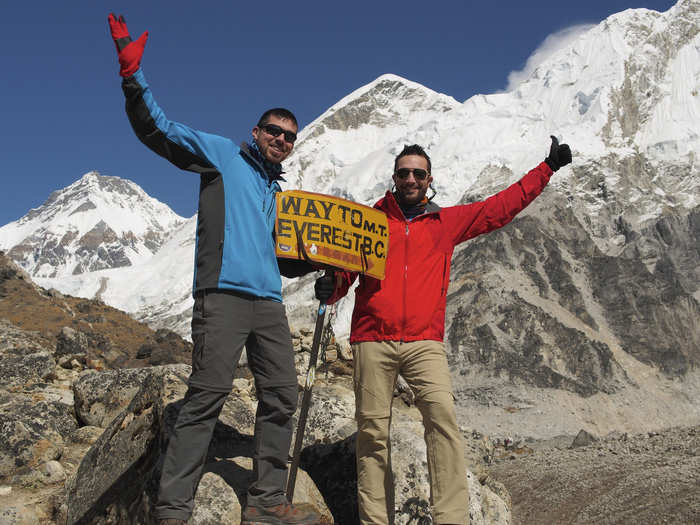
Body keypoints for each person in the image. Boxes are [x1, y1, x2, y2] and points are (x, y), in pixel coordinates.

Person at [108, 14, 320, 525]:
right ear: (256, 131)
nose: (281, 140)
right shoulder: (223, 156)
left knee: (282, 397)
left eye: (289, 136)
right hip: (222, 296)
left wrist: (319, 268)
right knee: (206, 396)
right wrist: (133, 78)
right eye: (274, 131)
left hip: (268, 304)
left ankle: (266, 502)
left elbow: (283, 259)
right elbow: (160, 131)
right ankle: (173, 509)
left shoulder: (278, 194)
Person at [314, 139, 572, 524]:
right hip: (372, 339)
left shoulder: (445, 223)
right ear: (394, 178)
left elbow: (498, 209)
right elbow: (345, 275)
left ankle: (451, 518)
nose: (411, 178)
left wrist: (546, 168)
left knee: (442, 420)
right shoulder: (369, 222)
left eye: (418, 173)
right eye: (404, 173)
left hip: (424, 342)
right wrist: (330, 286)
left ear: (429, 179)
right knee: (372, 434)